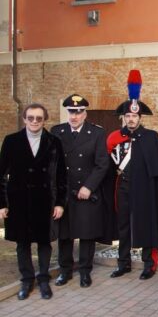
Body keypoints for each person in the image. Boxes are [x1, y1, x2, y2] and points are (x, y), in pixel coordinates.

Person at [0, 103, 67, 300]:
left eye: (39, 118)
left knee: (44, 242)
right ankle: (26, 280)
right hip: (18, 201)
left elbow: (61, 176)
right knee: (23, 243)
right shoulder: (11, 141)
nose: (35, 122)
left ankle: (44, 280)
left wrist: (60, 203)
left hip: (45, 201)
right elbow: (1, 175)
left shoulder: (54, 142)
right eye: (31, 118)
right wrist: (2, 204)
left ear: (44, 119)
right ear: (24, 119)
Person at [107, 70, 158, 280]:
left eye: (134, 116)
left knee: (146, 224)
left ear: (140, 117)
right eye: (128, 116)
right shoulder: (115, 138)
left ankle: (149, 264)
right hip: (124, 187)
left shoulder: (151, 137)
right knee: (123, 226)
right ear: (124, 117)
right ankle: (124, 263)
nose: (131, 119)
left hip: (145, 189)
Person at [51, 94, 109, 288]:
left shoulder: (97, 133)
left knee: (86, 234)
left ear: (85, 113)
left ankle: (85, 271)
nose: (74, 116)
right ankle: (65, 271)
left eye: (78, 112)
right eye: (71, 112)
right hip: (65, 192)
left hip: (86, 192)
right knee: (65, 235)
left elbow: (102, 164)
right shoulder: (57, 132)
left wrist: (88, 186)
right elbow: (54, 164)